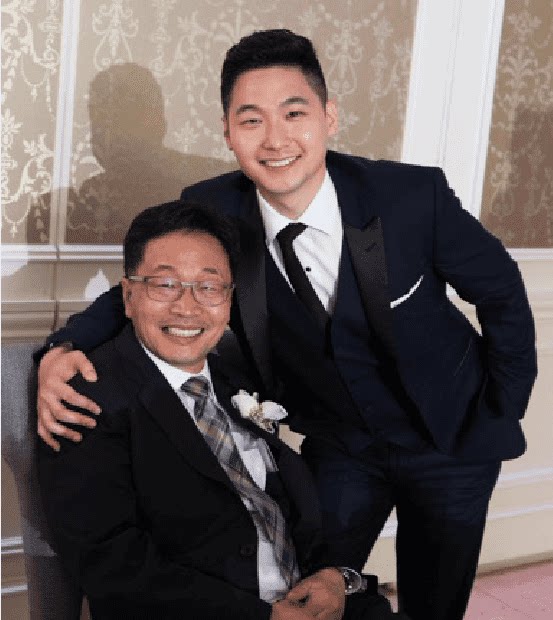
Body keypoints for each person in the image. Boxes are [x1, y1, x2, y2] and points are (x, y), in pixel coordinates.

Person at [36, 29, 538, 620]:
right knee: (311, 588)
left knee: (435, 604)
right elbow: (144, 285)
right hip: (341, 445)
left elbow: (502, 291)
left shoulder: (408, 196)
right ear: (228, 133)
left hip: (450, 438)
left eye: (294, 113)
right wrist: (61, 349)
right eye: (251, 120)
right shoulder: (217, 207)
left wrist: (501, 408)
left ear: (329, 118)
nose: (275, 140)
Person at [38, 201, 402, 620]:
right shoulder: (83, 399)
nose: (187, 307)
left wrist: (336, 577)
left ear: (229, 299)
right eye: (165, 284)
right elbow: (111, 567)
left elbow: (281, 513)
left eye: (209, 287)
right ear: (128, 295)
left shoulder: (237, 376)